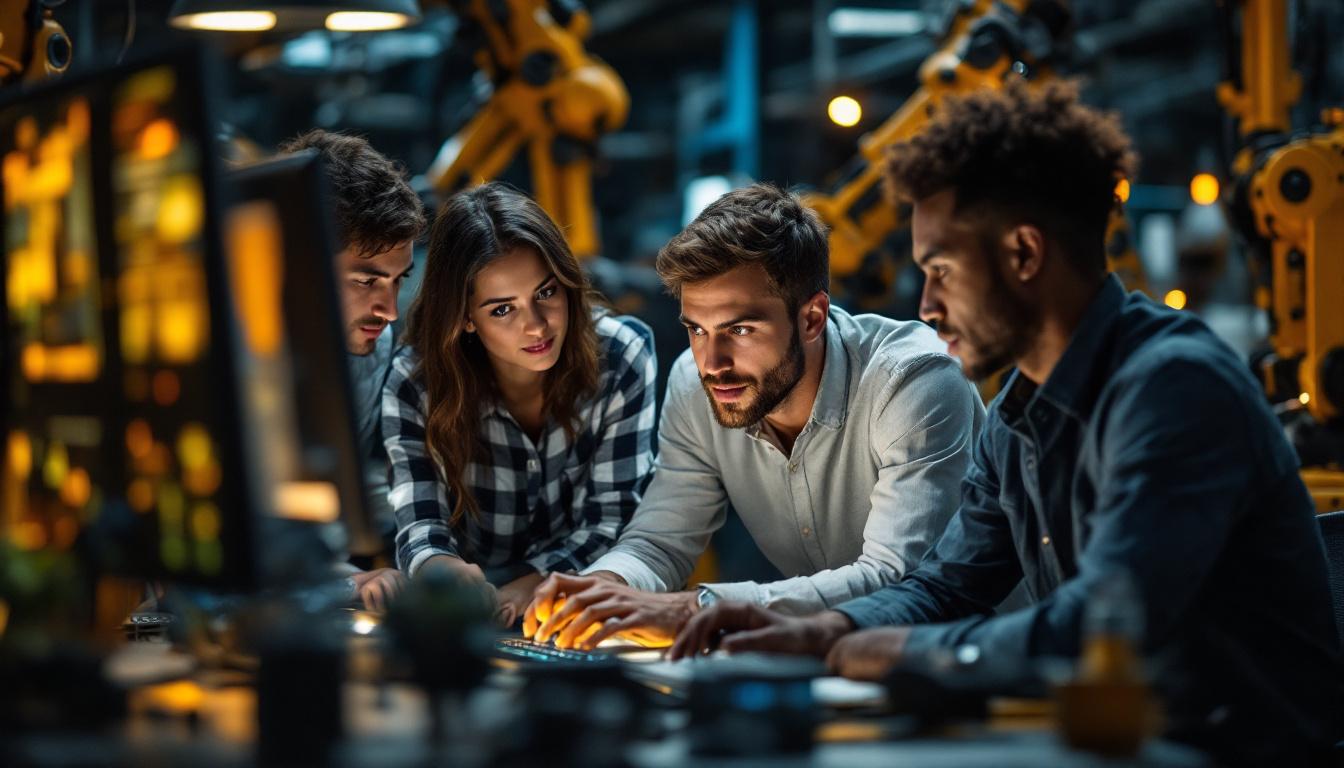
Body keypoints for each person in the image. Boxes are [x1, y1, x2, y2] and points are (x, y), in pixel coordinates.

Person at [672, 82, 1342, 764]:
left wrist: (902, 649)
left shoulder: (1174, 389)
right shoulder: (1020, 410)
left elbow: (1104, 626)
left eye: (940, 270)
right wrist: (822, 629)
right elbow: (947, 584)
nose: (927, 305)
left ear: (1023, 255)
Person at [523, 183, 984, 650]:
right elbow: (659, 543)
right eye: (697, 330)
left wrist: (696, 608)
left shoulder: (915, 381)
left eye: (739, 329)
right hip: (836, 663)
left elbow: (896, 581)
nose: (712, 362)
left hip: (980, 673)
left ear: (812, 318)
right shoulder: (695, 382)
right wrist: (602, 588)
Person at [383, 182, 656, 625]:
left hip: (582, 595)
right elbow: (420, 525)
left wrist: (536, 580)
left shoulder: (622, 356)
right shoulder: (416, 384)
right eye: (502, 310)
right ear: (465, 318)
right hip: (464, 610)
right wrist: (438, 567)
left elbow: (615, 518)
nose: (536, 327)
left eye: (546, 293)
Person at [277, 129, 425, 612]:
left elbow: (347, 515)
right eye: (366, 280)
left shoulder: (372, 358)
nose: (390, 311)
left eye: (398, 280)